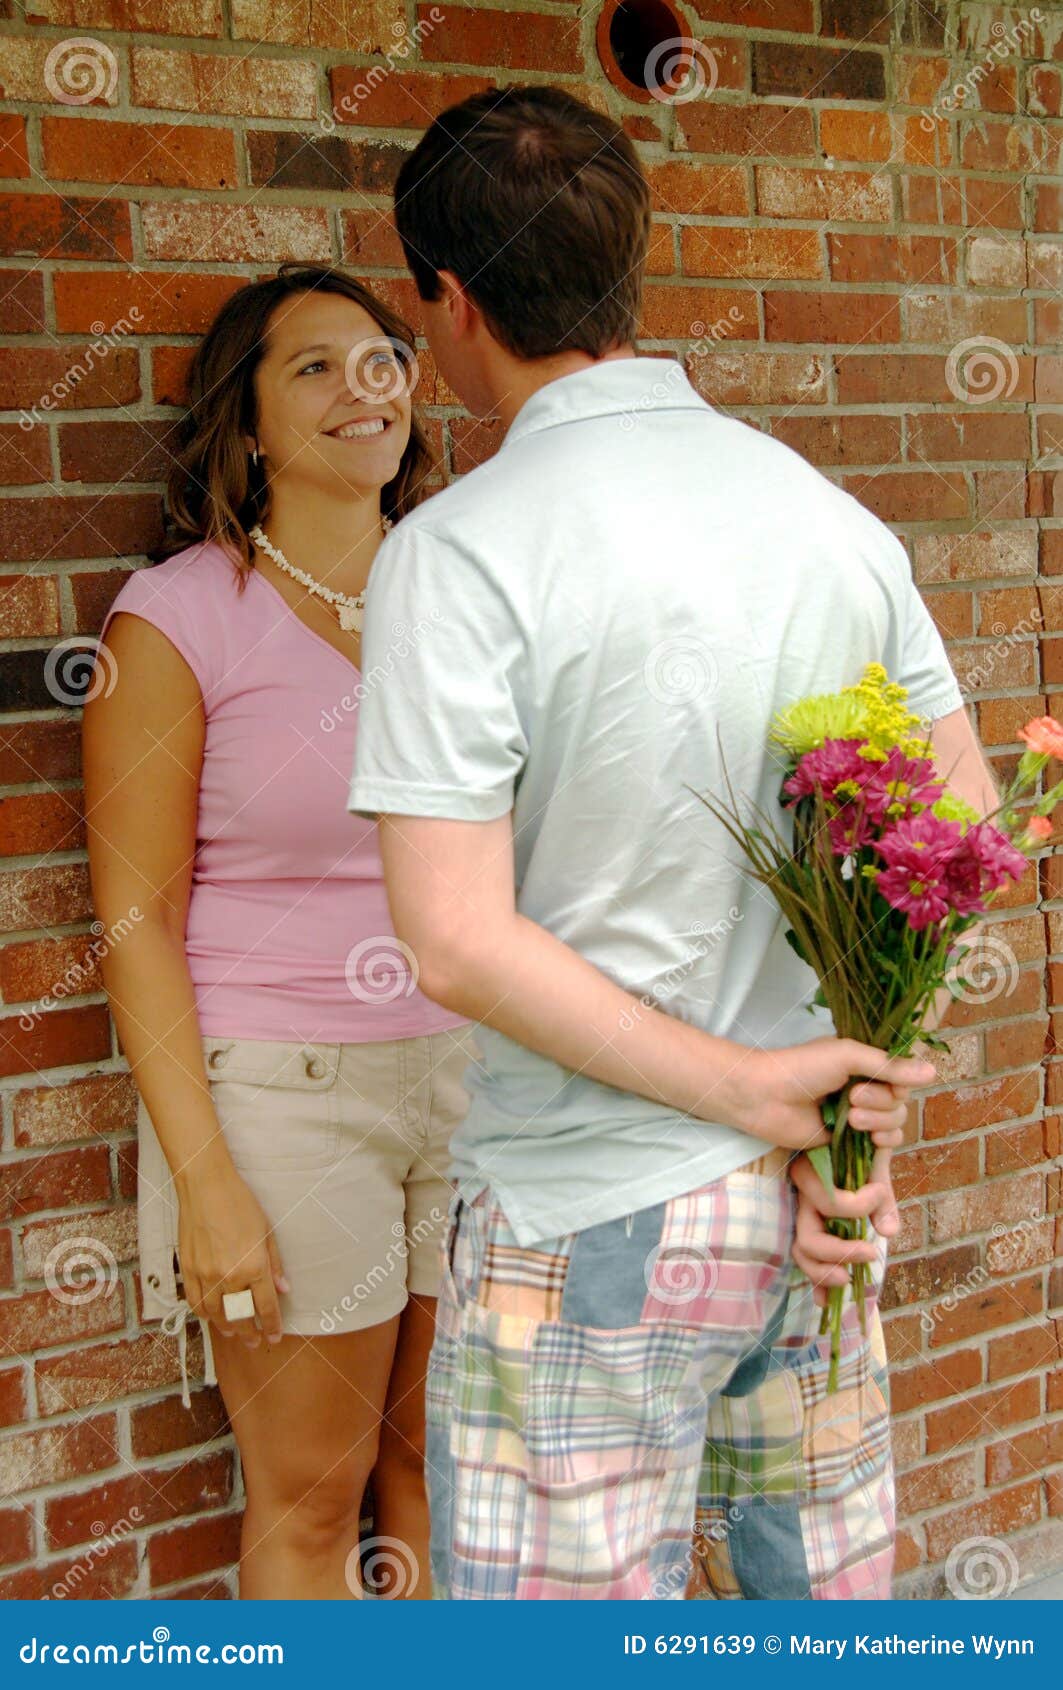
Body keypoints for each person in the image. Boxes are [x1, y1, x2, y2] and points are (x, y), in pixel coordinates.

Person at [346, 87, 1000, 1601]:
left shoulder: (457, 550)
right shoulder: (829, 519)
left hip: (590, 1216)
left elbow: (450, 936)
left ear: (445, 302)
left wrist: (749, 1088)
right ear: (629, 262)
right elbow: (965, 839)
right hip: (813, 1203)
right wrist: (851, 1102)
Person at [83, 264, 478, 1601]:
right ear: (245, 423)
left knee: (446, 1460)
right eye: (312, 366)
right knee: (312, 1496)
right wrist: (205, 1181)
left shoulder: (461, 599)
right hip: (291, 1099)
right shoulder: (184, 615)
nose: (360, 387)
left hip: (476, 1080)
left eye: (380, 358)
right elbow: (134, 922)